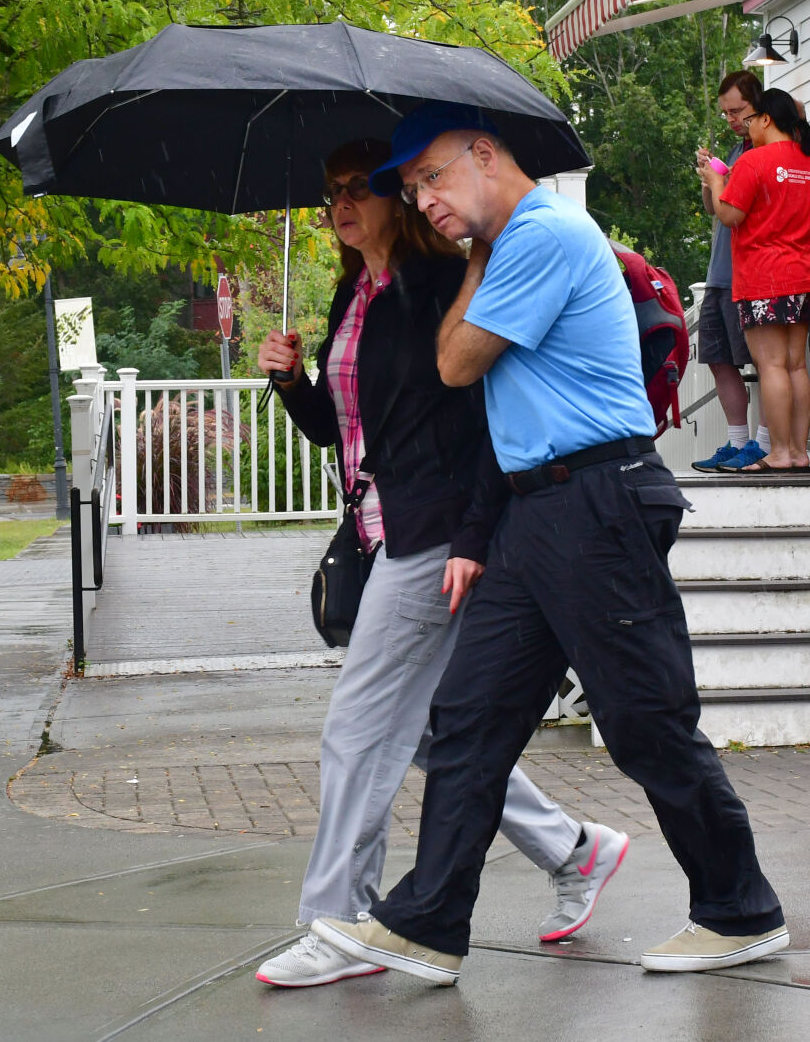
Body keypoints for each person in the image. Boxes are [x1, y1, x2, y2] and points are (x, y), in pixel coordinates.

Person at [306, 101, 787, 986]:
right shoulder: (498, 247)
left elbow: (455, 361)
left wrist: (474, 262)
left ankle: (738, 907)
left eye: (433, 179)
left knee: (646, 722)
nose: (423, 203)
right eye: (410, 189)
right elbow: (479, 393)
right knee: (468, 722)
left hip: (599, 500)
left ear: (484, 156)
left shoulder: (544, 234)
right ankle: (425, 922)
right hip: (535, 508)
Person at [252, 138, 626, 988]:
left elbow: (477, 420)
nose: (341, 206)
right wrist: (288, 381)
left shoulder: (429, 289)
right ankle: (575, 847)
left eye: (359, 189)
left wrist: (470, 537)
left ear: (397, 200)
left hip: (436, 536)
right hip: (386, 527)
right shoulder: (357, 293)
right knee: (426, 730)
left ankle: (337, 919)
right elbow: (344, 434)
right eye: (329, 195)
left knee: (356, 730)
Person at [698, 87, 810, 473]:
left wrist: (715, 182)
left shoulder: (754, 161)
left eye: (750, 120)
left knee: (771, 366)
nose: (747, 127)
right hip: (802, 273)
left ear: (766, 118)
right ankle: (800, 452)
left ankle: (780, 453)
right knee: (797, 366)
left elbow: (731, 216)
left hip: (763, 276)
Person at [691, 71, 773, 471]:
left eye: (738, 110)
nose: (732, 119)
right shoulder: (737, 150)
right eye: (726, 113)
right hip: (719, 274)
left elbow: (739, 215)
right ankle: (737, 440)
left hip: (751, 275)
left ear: (759, 106)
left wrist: (718, 181)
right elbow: (715, 211)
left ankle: (763, 443)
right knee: (718, 359)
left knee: (765, 363)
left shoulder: (763, 154)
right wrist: (710, 181)